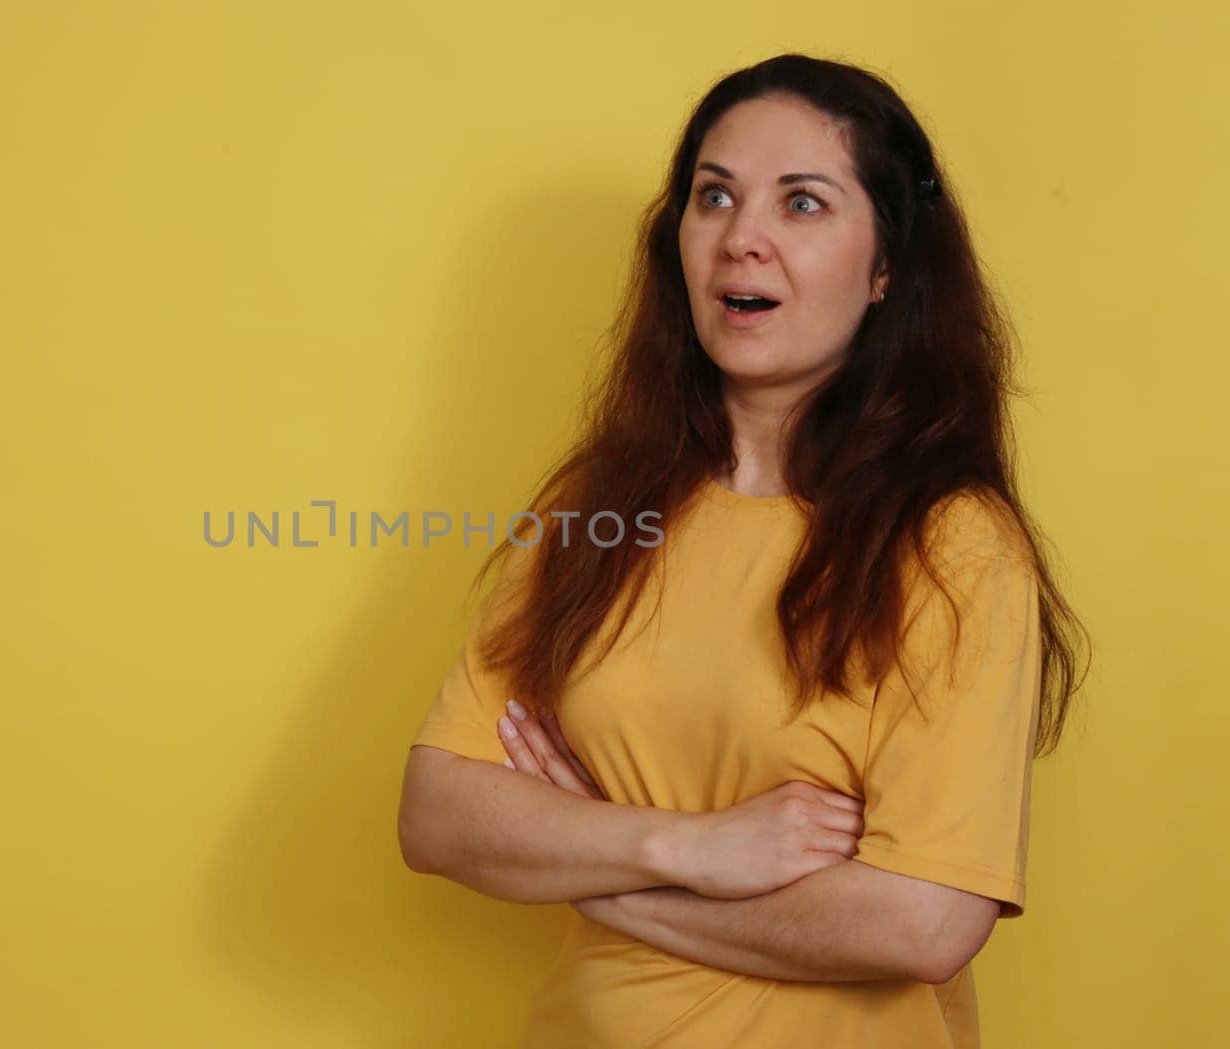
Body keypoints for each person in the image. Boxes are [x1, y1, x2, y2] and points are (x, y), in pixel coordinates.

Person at [396, 53, 1089, 1048]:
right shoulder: (598, 508)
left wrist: (593, 862)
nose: (742, 239)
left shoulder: (952, 545)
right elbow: (437, 814)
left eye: (801, 204)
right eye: (712, 196)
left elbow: (923, 919)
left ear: (886, 264)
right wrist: (689, 843)